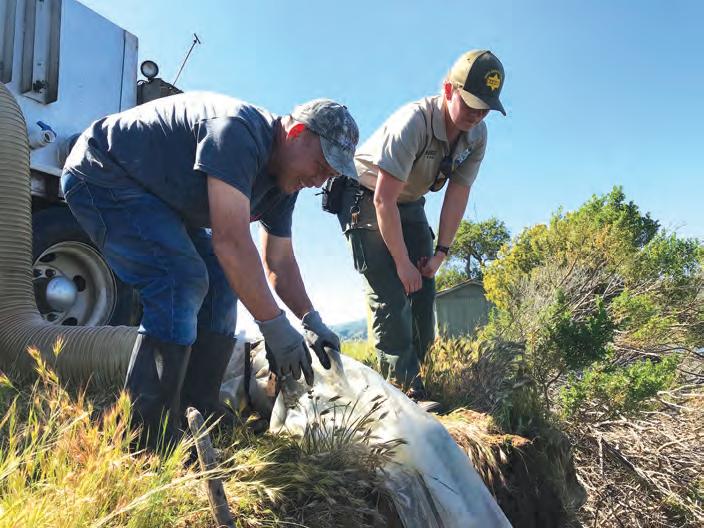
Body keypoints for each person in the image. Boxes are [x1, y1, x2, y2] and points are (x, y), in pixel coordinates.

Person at [61, 92, 359, 446]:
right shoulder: (237, 132)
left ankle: (197, 413)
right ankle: (145, 436)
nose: (319, 181)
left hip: (161, 199)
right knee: (179, 278)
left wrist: (310, 320)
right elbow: (231, 242)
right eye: (321, 166)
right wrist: (274, 326)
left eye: (329, 175)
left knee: (221, 284)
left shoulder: (285, 183)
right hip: (104, 171)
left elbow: (278, 261)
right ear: (296, 133)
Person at [337, 50, 506, 401]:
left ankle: (425, 378)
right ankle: (404, 394)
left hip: (410, 200)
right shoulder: (413, 122)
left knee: (423, 288)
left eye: (485, 108)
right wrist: (401, 262)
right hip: (367, 195)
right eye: (471, 104)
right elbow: (383, 200)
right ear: (448, 90)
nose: (477, 115)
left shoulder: (477, 135)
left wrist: (441, 252)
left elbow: (458, 192)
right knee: (391, 291)